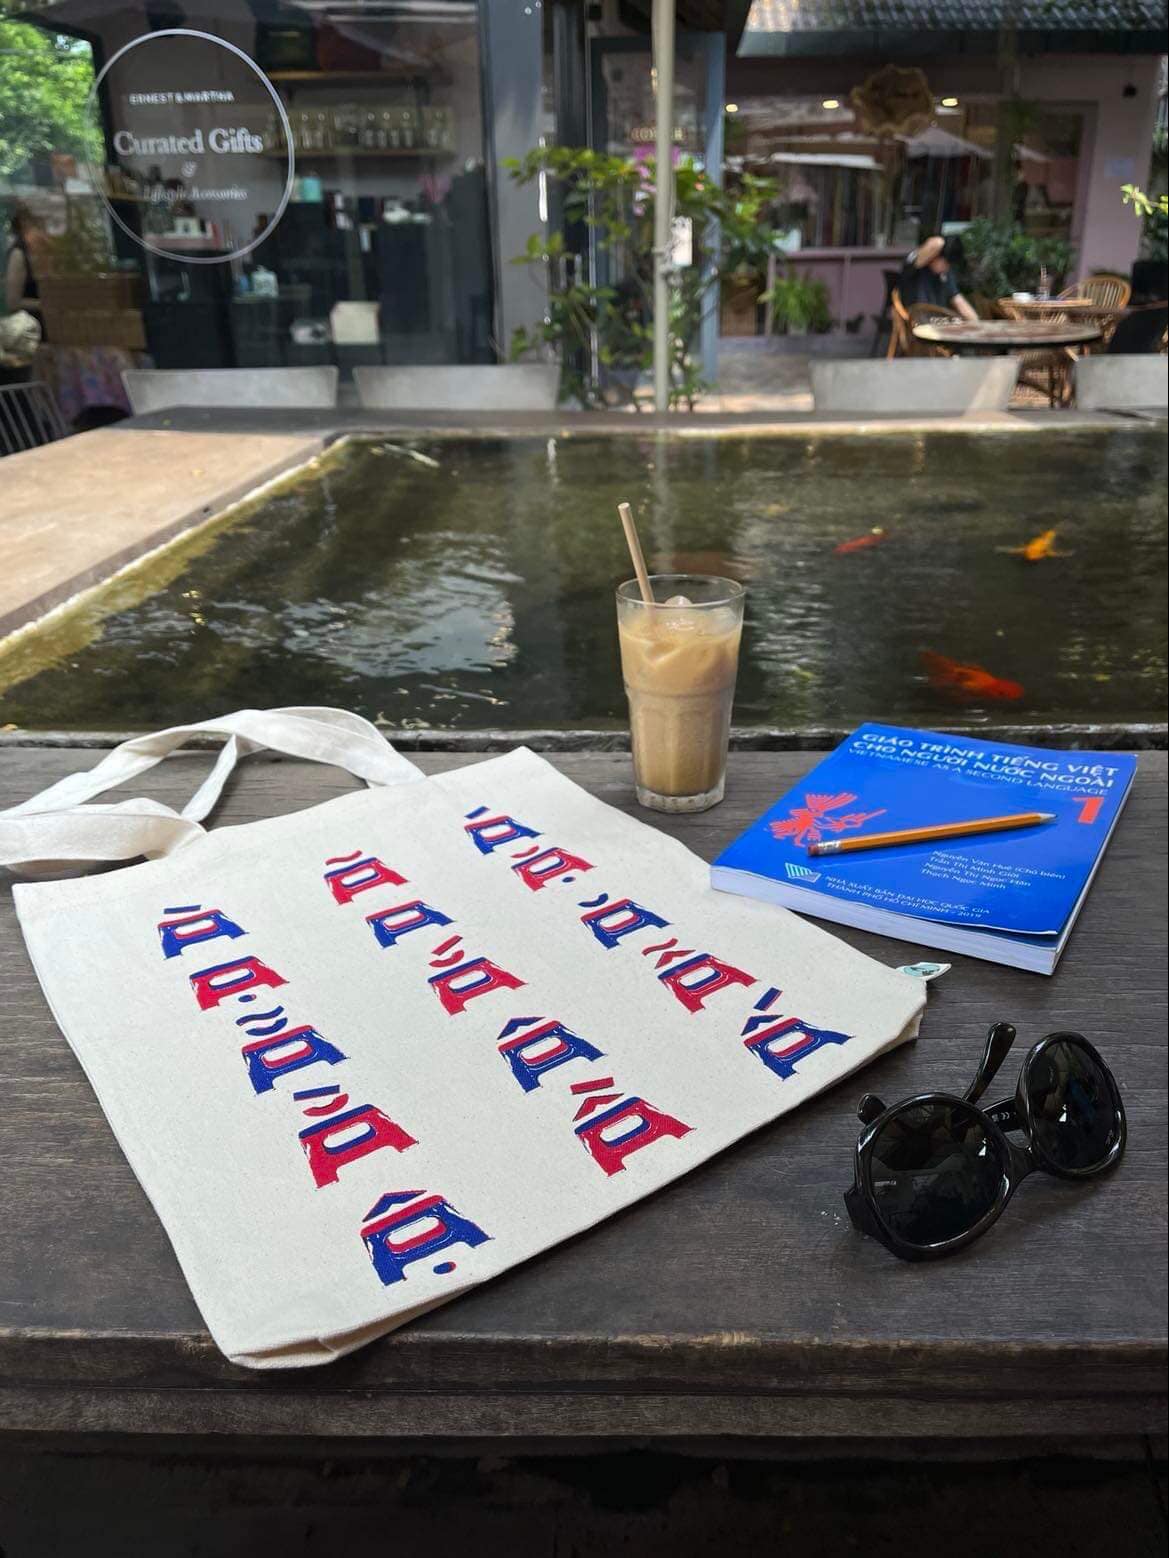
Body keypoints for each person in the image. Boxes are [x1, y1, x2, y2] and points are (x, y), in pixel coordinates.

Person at [897, 234, 978, 321]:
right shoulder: (915, 267)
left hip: (938, 321)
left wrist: (977, 323)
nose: (946, 267)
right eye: (945, 263)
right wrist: (944, 242)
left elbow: (958, 300)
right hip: (917, 323)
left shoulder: (946, 274)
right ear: (935, 256)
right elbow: (936, 243)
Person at [4, 203, 48, 330]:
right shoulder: (18, 254)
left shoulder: (37, 253)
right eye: (38, 227)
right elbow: (12, 301)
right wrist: (44, 304)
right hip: (29, 329)